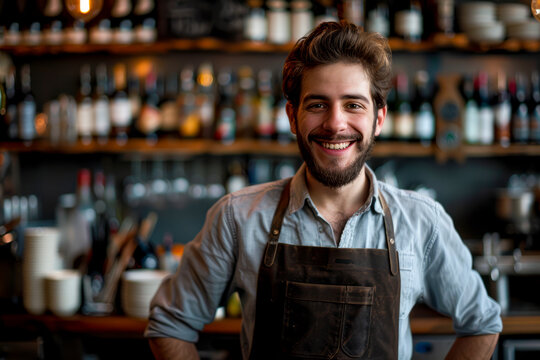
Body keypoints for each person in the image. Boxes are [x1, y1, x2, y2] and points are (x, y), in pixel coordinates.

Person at [145, 21, 502, 359]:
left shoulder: (421, 221)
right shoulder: (237, 218)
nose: (335, 123)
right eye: (317, 105)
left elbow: (482, 324)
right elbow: (170, 325)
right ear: (291, 116)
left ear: (378, 119)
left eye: (353, 105)